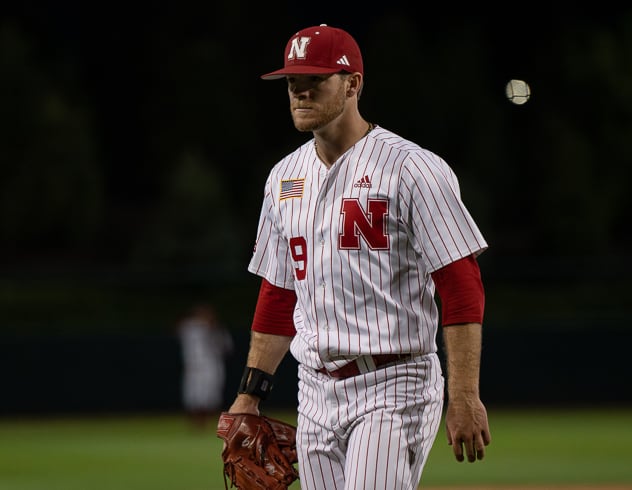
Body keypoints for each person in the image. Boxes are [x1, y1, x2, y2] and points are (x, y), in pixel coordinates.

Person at [225, 24, 491, 489]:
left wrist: (464, 393)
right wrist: (249, 395)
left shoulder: (413, 169)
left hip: (395, 382)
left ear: (352, 84)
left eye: (314, 80)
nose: (300, 93)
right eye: (292, 82)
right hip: (315, 389)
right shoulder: (284, 178)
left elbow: (460, 282)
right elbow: (279, 293)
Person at [178, 303, 233, 429]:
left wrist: (212, 329)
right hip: (194, 366)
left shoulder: (217, 330)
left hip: (211, 365)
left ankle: (208, 422)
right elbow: (178, 326)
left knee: (211, 395)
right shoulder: (190, 328)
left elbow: (227, 348)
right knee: (193, 396)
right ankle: (195, 423)